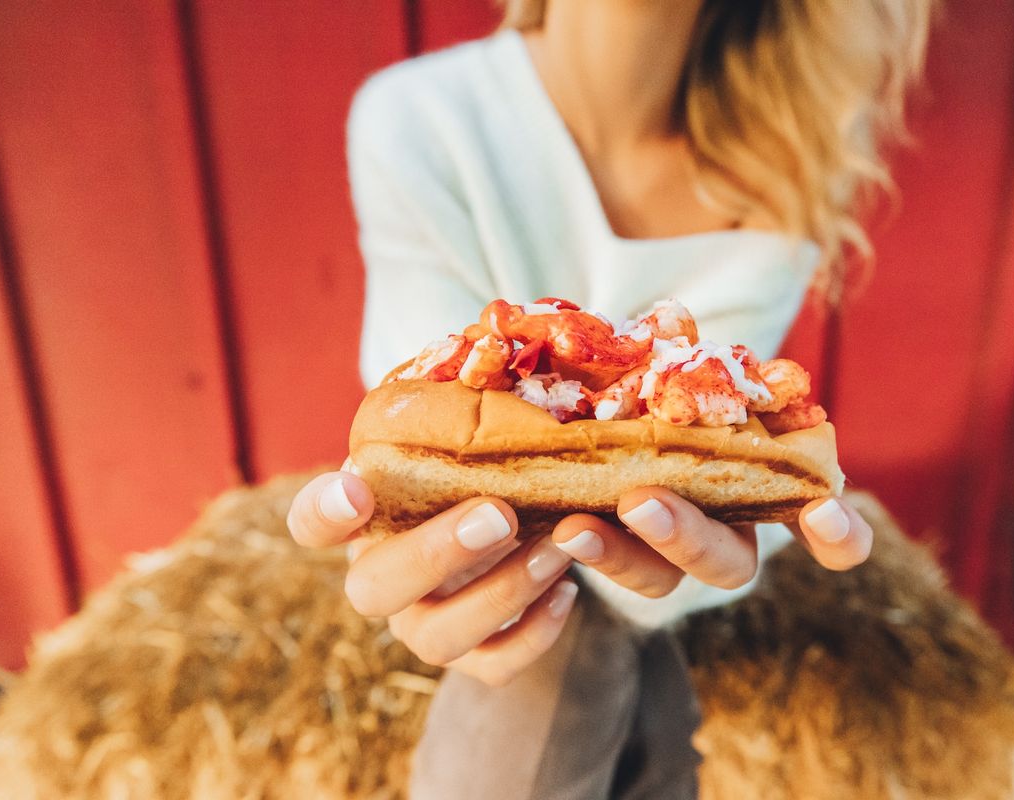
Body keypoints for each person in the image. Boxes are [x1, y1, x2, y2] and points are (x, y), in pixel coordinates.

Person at [288, 0, 932, 796]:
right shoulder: (419, 121)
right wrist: (404, 549)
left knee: (574, 656)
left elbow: (690, 513)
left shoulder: (784, 163)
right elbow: (423, 440)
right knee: (577, 667)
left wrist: (728, 538)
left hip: (625, 598)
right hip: (507, 586)